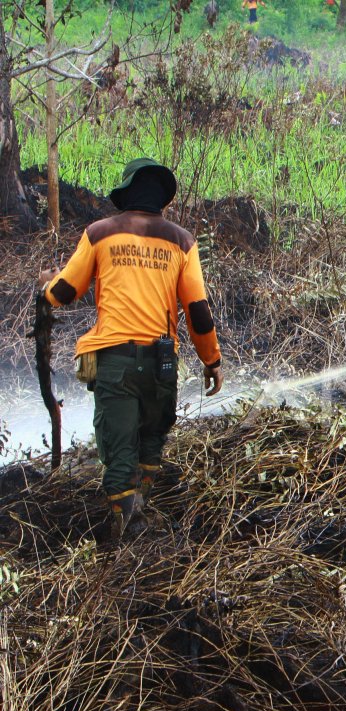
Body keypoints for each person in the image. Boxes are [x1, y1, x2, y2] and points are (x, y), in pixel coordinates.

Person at [38, 158, 224, 539]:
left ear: (126, 195)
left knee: (119, 452)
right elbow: (199, 312)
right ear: (162, 199)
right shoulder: (182, 241)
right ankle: (142, 519)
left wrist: (46, 283)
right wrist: (212, 360)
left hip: (116, 363)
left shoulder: (100, 233)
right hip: (162, 366)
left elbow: (64, 293)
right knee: (150, 444)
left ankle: (133, 536)